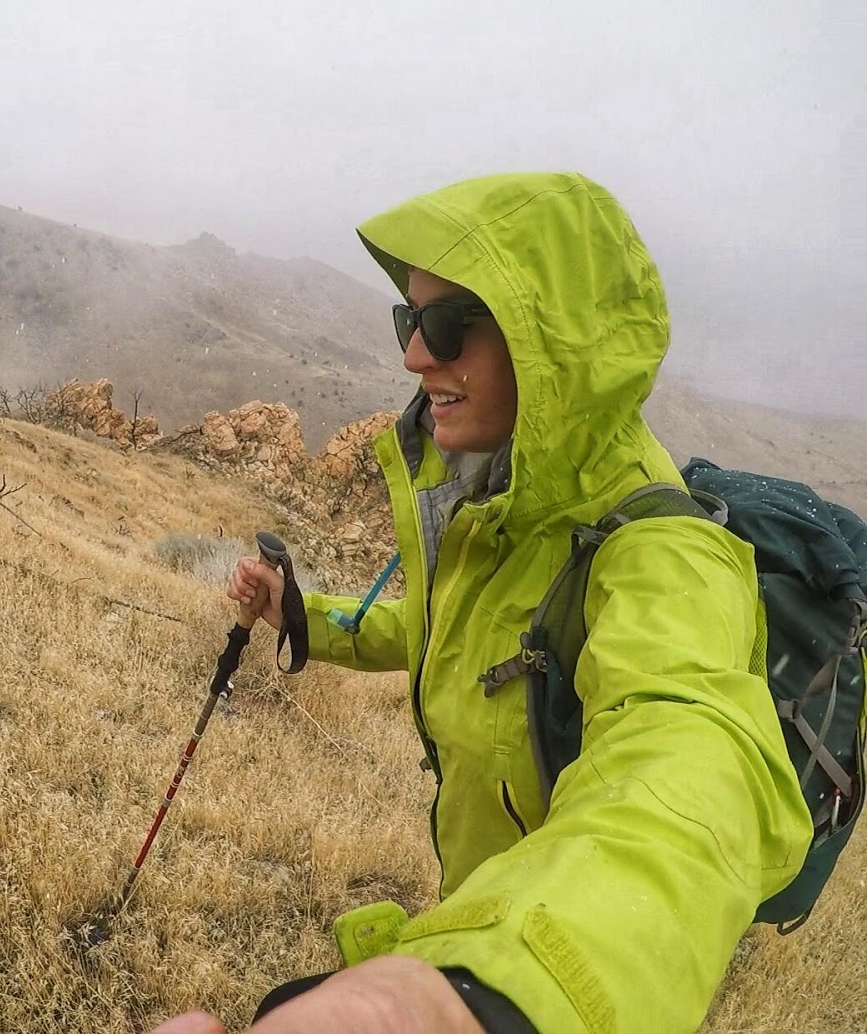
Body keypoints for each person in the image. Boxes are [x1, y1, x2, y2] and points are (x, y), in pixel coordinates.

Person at [152, 172, 811, 1033]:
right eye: (408, 321)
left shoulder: (663, 552)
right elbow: (440, 632)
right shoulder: (493, 500)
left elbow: (685, 774)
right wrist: (306, 615)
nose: (414, 356)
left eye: (447, 325)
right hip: (479, 907)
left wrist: (488, 995)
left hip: (555, 960)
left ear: (552, 349)